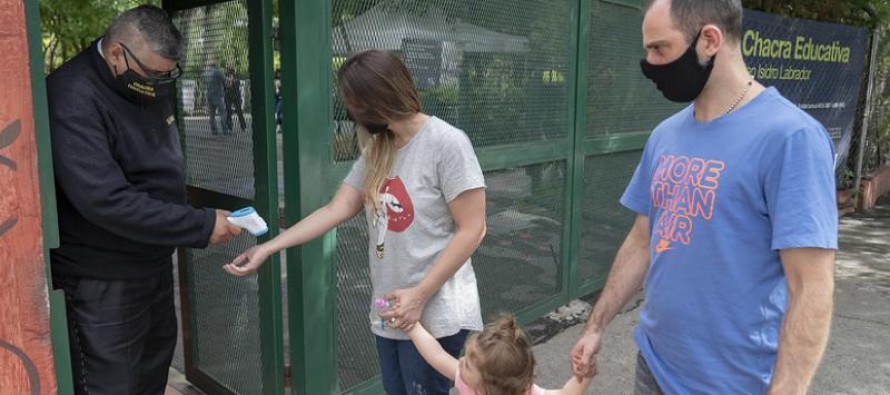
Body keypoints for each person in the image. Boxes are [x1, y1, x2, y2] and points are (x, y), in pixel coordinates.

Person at [570, 0, 837, 394]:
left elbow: (811, 286)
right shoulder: (665, 135)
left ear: (709, 39)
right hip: (654, 365)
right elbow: (642, 240)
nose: (649, 64)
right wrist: (596, 326)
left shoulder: (790, 137)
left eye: (659, 49)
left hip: (734, 383)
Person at [224, 49, 487, 395]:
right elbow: (335, 210)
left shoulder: (446, 143)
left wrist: (420, 296)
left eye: (352, 101)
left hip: (434, 312)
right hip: (391, 310)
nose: (349, 110)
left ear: (374, 98)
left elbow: (474, 229)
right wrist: (269, 248)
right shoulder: (379, 147)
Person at [45, 6, 242, 394]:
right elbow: (104, 200)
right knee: (111, 384)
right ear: (117, 53)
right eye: (153, 73)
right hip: (101, 277)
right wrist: (200, 225)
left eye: (168, 74)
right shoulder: (72, 95)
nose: (160, 83)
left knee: (152, 372)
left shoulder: (145, 81)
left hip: (150, 262)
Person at [406, 314, 592, 395]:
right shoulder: (467, 378)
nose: (461, 361)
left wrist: (583, 375)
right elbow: (436, 355)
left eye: (469, 364)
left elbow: (567, 393)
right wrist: (412, 326)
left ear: (490, 384)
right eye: (466, 356)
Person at [203, 58, 227, 135]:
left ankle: (214, 131)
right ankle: (225, 130)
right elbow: (225, 79)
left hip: (209, 96)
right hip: (218, 95)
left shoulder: (206, 73)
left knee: (212, 115)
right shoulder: (217, 72)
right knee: (222, 113)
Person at [224, 66, 247, 132]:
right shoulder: (226, 77)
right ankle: (229, 127)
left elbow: (234, 84)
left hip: (236, 96)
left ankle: (243, 127)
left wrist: (230, 80)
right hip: (228, 96)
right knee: (228, 111)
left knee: (239, 111)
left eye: (231, 71)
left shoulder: (236, 78)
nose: (230, 73)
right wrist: (228, 81)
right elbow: (226, 85)